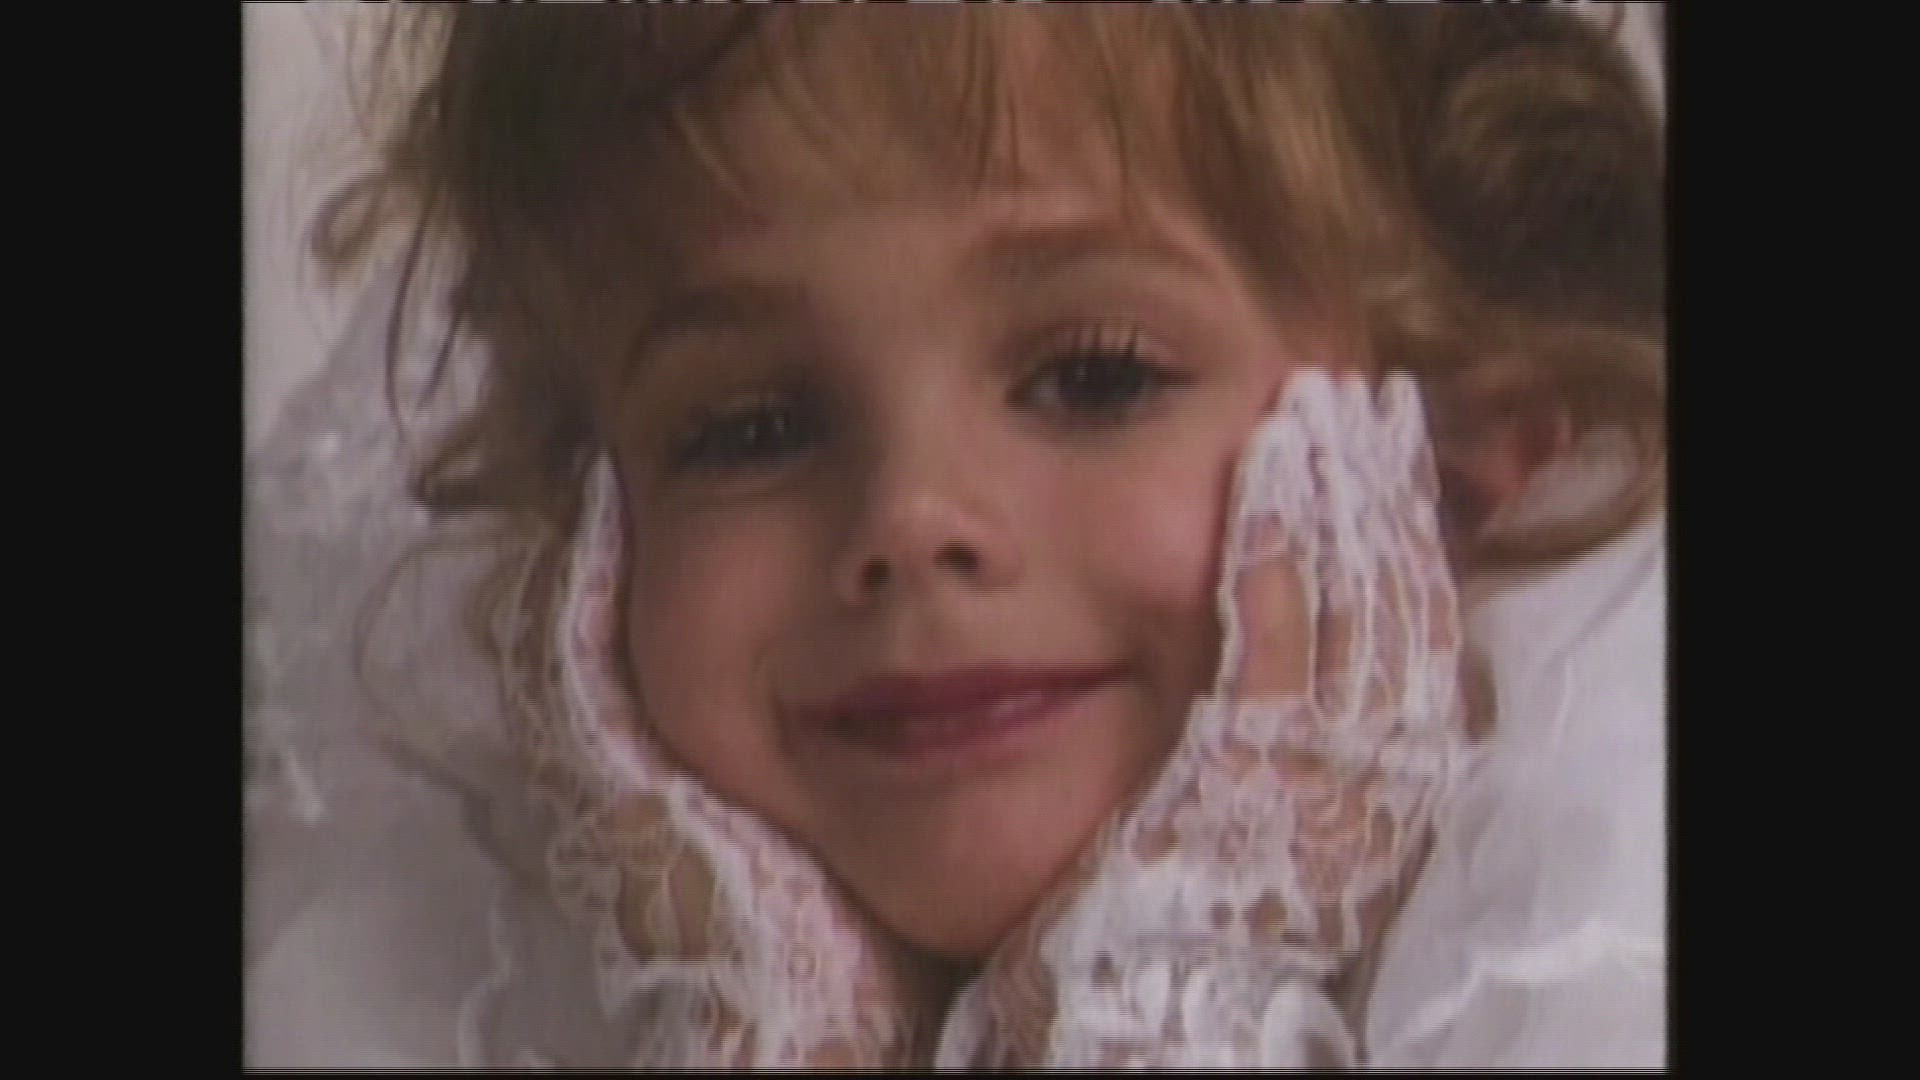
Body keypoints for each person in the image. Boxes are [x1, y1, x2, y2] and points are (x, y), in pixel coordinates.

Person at [244, 4, 1665, 1068]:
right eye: (751, 429)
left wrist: (1173, 989)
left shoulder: (1597, 952)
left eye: (1096, 377)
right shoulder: (424, 978)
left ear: (1447, 449)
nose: (909, 520)